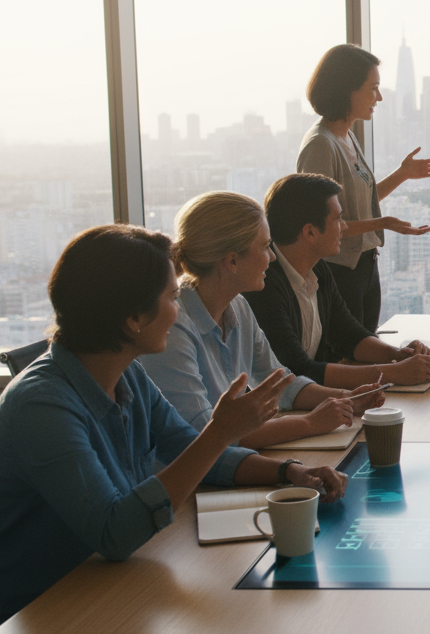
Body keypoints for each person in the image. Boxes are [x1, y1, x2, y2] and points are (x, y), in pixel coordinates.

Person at [0, 225, 349, 618]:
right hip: (26, 615)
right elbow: (115, 533)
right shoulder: (41, 407)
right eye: (173, 298)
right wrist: (223, 431)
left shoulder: (126, 373)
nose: (179, 312)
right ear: (133, 319)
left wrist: (290, 472)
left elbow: (186, 443)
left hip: (102, 587)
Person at [142, 191, 387, 449]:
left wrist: (346, 399)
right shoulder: (173, 328)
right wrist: (310, 423)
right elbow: (205, 435)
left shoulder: (238, 306)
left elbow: (279, 383)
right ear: (233, 261)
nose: (271, 257)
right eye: (264, 247)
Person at [245, 173, 430, 389]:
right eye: (338, 219)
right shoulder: (263, 284)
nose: (345, 227)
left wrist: (398, 355)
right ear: (310, 232)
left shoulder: (318, 268)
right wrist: (392, 373)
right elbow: (297, 370)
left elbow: (347, 335)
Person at [299, 43, 430, 330]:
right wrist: (385, 222)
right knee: (351, 355)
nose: (378, 97)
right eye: (372, 87)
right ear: (346, 89)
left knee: (367, 348)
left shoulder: (348, 137)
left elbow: (359, 203)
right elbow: (319, 226)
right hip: (338, 271)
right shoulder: (320, 145)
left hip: (365, 267)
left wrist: (403, 174)